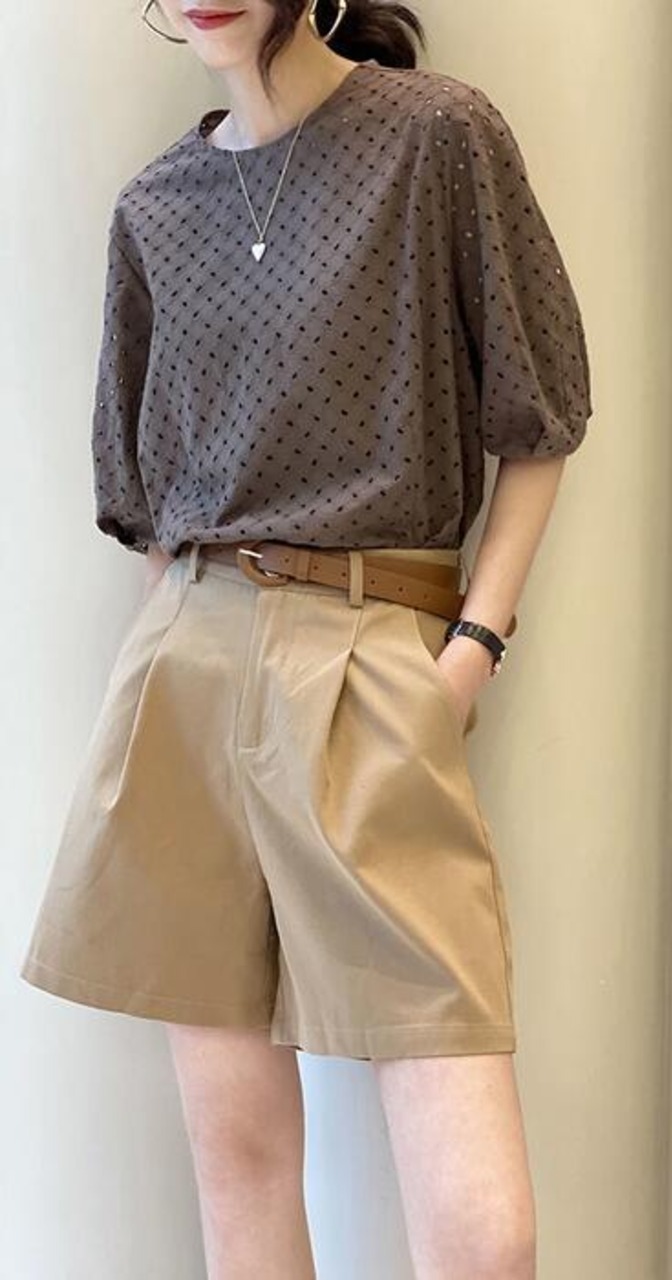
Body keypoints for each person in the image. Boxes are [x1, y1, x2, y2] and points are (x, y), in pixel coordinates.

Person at [19, 1, 594, 1275]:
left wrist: (471, 647)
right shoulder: (154, 209)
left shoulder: (437, 137)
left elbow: (539, 421)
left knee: (485, 1236)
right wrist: (184, 644)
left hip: (376, 647)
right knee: (241, 1171)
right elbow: (147, 503)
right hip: (188, 664)